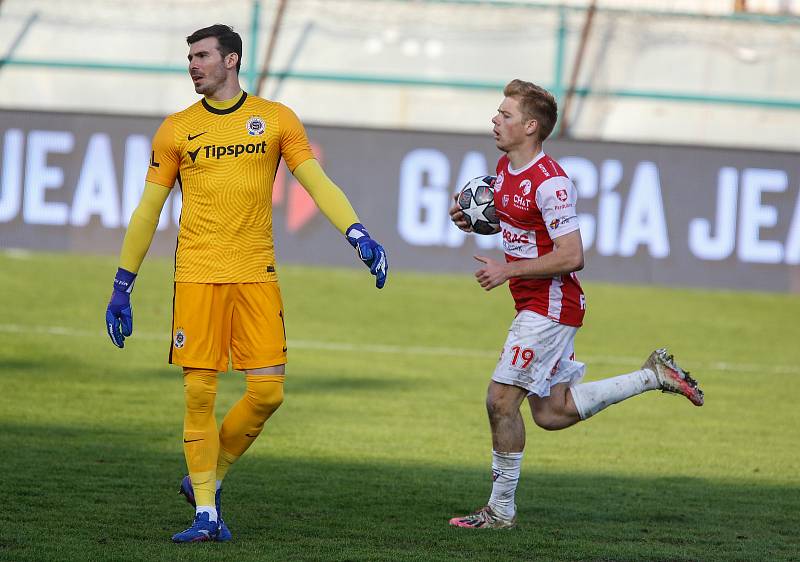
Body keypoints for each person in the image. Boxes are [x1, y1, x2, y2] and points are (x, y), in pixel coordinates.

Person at [104, 24, 388, 543]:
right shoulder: (175, 129)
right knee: (199, 394)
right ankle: (206, 514)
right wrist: (124, 283)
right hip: (196, 276)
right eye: (189, 57)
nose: (193, 65)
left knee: (268, 392)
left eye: (203, 56)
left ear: (231, 60)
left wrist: (357, 233)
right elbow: (149, 209)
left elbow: (316, 181)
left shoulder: (276, 120)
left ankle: (207, 477)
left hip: (257, 274)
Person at [447, 79, 703, 530]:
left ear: (530, 127)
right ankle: (652, 376)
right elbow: (520, 229)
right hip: (535, 303)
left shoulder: (552, 183)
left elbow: (571, 254)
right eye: (498, 112)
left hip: (549, 305)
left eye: (505, 115)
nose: (495, 119)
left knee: (500, 401)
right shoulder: (504, 169)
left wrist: (506, 270)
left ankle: (500, 512)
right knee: (551, 413)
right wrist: (472, 220)